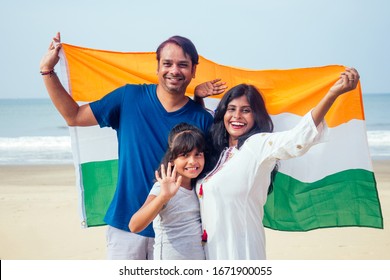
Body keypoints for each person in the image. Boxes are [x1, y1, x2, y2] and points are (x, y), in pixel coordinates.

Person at [39, 32, 227, 260]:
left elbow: (210, 174)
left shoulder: (202, 118)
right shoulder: (129, 97)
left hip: (177, 233)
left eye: (183, 65)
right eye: (167, 63)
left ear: (194, 70)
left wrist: (198, 100)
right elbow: (74, 116)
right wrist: (48, 72)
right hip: (126, 227)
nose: (174, 70)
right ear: (157, 67)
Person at [196, 67, 360, 260]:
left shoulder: (258, 146)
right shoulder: (217, 155)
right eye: (231, 109)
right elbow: (196, 126)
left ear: (256, 116)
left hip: (242, 253)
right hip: (209, 253)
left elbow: (298, 138)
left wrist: (331, 94)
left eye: (246, 110)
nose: (237, 116)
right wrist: (198, 98)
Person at [129, 123, 207, 260]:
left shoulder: (199, 186)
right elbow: (134, 225)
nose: (192, 161)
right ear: (172, 159)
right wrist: (163, 197)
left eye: (198, 154)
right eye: (185, 155)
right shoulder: (163, 188)